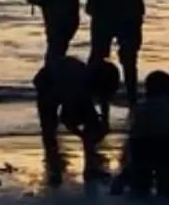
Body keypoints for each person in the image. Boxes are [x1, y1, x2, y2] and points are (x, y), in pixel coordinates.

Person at [33, 56, 120, 185]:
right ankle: (53, 168)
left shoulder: (95, 80)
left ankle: (90, 168)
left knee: (92, 124)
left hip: (63, 76)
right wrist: (83, 135)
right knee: (49, 129)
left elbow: (104, 99)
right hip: (46, 83)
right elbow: (67, 119)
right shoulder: (78, 88)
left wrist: (105, 122)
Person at [110, 70, 169, 197]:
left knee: (140, 177)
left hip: (140, 146)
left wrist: (126, 157)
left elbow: (133, 131)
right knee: (165, 181)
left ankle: (124, 183)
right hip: (163, 147)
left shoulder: (140, 107)